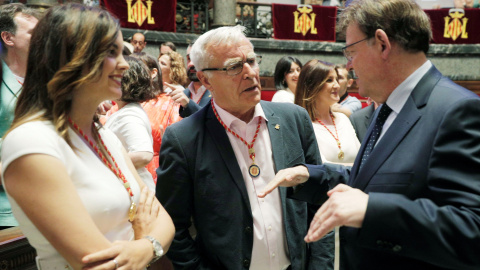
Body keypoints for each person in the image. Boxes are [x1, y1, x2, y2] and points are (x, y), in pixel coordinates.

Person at [260, 0, 480, 269]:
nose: (348, 67)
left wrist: (371, 211)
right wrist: (311, 176)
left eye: (351, 52)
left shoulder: (456, 110)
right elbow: (371, 179)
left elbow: (471, 228)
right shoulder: (386, 107)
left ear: (382, 44)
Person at [1, 4, 174, 269]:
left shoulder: (104, 136)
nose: (125, 64)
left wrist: (145, 246)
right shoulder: (31, 142)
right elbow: (97, 263)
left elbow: (165, 221)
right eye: (111, 52)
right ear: (71, 58)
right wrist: (146, 241)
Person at [156, 25, 333, 270]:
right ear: (206, 78)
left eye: (251, 60)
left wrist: (320, 266)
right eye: (234, 67)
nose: (249, 73)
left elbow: (319, 199)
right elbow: (172, 225)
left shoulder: (294, 119)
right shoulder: (184, 138)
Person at [0, 3, 39, 229]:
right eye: (33, 33)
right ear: (8, 37)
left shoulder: (45, 78)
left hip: (44, 203)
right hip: (6, 208)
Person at [105, 56, 157, 192]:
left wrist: (105, 162)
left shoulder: (130, 115)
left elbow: (143, 155)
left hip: (132, 190)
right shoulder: (127, 111)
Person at [295, 60, 360, 165]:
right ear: (312, 87)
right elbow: (322, 168)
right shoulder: (302, 125)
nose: (337, 86)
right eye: (329, 80)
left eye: (337, 79)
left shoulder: (343, 119)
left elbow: (361, 160)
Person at [170, 42, 211, 118]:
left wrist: (188, 104)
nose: (191, 64)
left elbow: (211, 121)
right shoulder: (184, 93)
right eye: (189, 59)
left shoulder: (217, 93)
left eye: (196, 58)